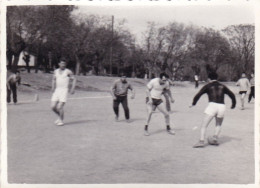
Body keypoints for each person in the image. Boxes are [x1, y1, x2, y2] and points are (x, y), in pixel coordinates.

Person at [190, 72, 236, 148]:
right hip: (222, 106)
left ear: (209, 79)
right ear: (217, 78)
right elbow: (232, 95)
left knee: (204, 125)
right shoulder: (222, 86)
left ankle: (201, 141)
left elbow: (198, 94)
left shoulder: (208, 86)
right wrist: (233, 105)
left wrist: (193, 103)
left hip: (212, 105)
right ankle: (215, 138)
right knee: (218, 124)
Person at [51, 60, 76, 126]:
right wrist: (53, 87)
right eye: (62, 63)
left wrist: (72, 88)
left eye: (64, 64)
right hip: (57, 90)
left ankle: (61, 120)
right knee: (53, 107)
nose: (63, 65)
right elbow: (53, 79)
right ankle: (59, 117)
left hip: (64, 90)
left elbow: (74, 79)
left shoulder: (68, 71)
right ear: (59, 64)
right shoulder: (55, 71)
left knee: (59, 107)